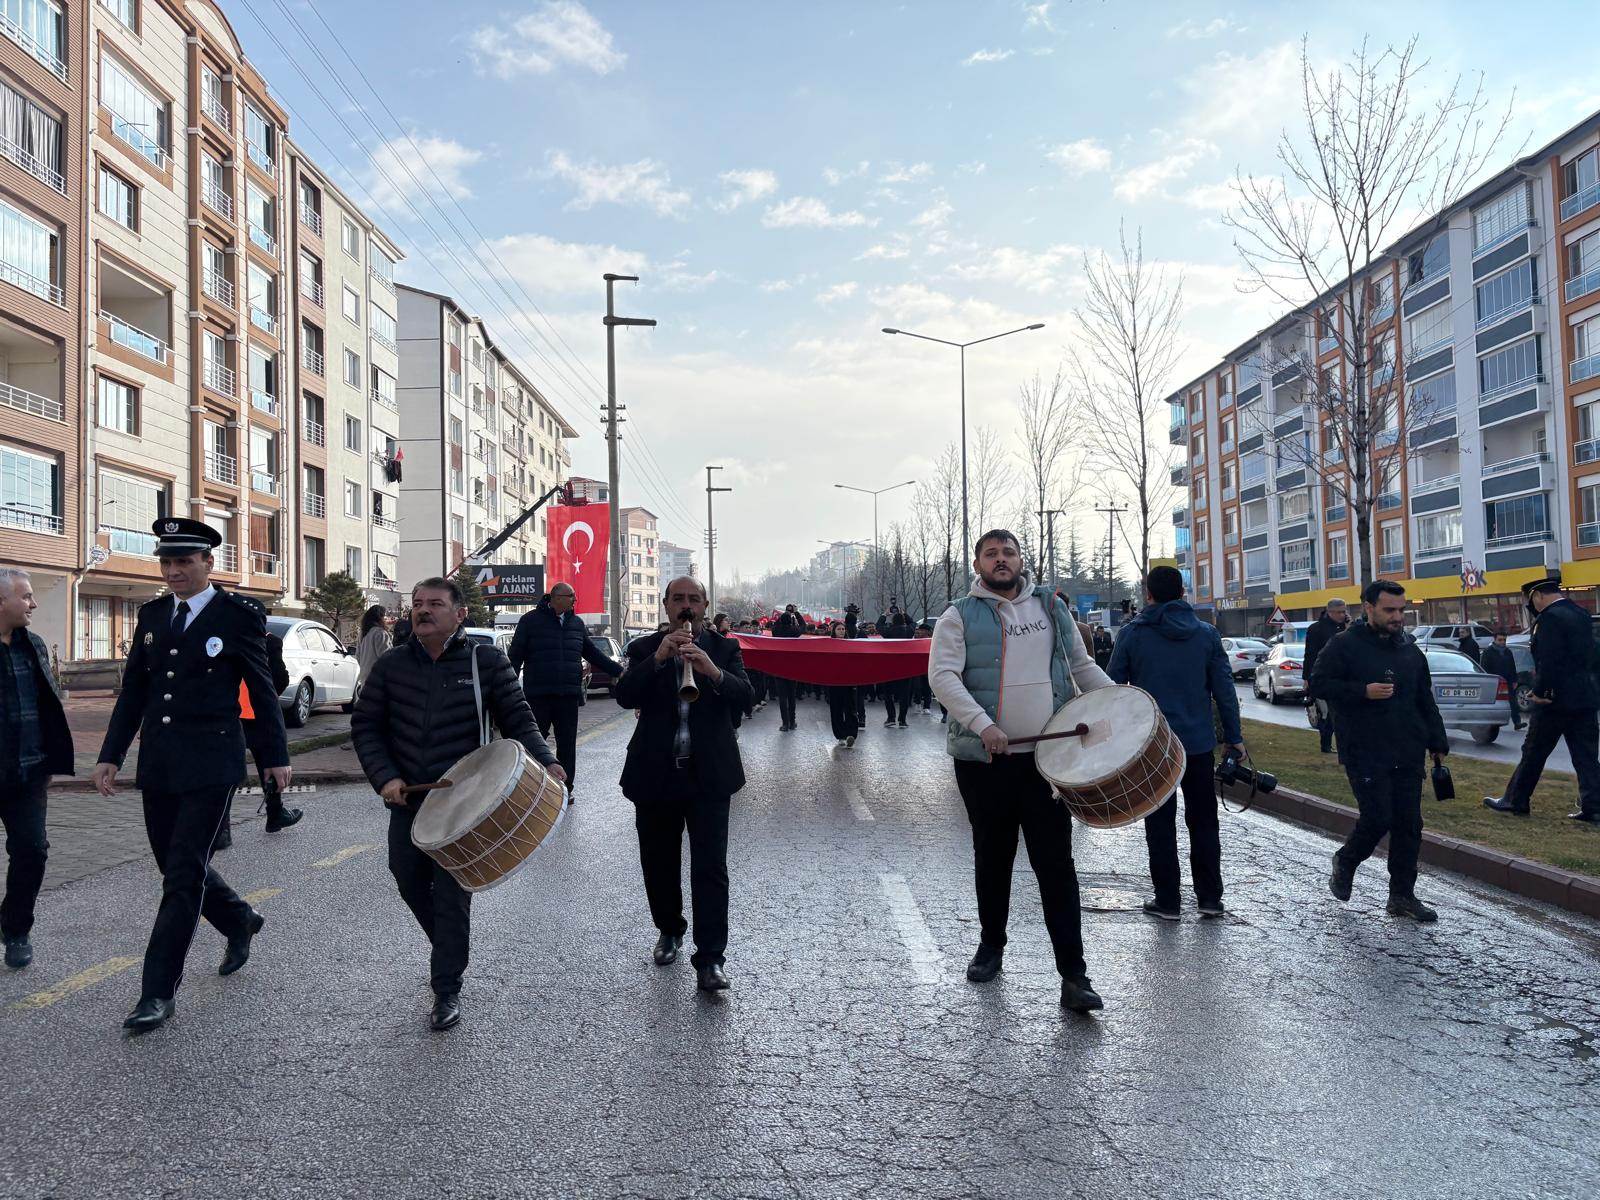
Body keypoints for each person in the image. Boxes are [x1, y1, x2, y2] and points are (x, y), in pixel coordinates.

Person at [93, 519, 290, 1032]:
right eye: (167, 562)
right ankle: (239, 919)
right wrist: (111, 753)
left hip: (211, 762)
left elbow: (262, 691)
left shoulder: (238, 615)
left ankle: (157, 992)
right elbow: (135, 689)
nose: (175, 571)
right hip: (159, 762)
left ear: (208, 563)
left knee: (182, 874)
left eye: (185, 561)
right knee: (174, 865)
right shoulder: (154, 614)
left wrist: (274, 756)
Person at [351, 577, 564, 1031]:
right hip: (408, 799)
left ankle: (446, 987)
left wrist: (546, 760)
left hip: (467, 805)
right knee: (406, 878)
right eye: (417, 604)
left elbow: (518, 718)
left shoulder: (485, 662)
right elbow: (365, 726)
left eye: (434, 604)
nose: (423, 611)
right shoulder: (391, 666)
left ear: (460, 614)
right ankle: (448, 949)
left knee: (451, 895)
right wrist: (385, 777)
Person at [929, 529, 1113, 1013]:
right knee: (994, 856)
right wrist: (983, 725)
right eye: (991, 553)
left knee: (1056, 864)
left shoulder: (1051, 608)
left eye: (1008, 551)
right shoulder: (958, 615)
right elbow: (942, 677)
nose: (1001, 559)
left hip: (1047, 762)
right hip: (984, 760)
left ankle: (1074, 975)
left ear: (1020, 559)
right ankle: (992, 944)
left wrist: (1120, 705)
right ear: (978, 564)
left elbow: (1081, 666)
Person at [617, 577, 753, 992]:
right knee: (658, 863)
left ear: (705, 605)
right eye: (679, 599)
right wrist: (659, 658)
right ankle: (670, 929)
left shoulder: (725, 649)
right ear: (666, 606)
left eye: (694, 599)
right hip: (655, 774)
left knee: (711, 868)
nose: (687, 606)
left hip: (709, 775)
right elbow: (624, 695)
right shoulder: (643, 649)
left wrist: (711, 671)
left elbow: (747, 696)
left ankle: (710, 958)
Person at [1108, 565, 1244, 921]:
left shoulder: (1133, 634)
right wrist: (1234, 738)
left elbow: (1113, 689)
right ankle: (1210, 898)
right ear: (1183, 593)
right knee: (1203, 821)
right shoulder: (1206, 635)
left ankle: (1168, 901)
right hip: (1198, 745)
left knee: (1160, 823)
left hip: (1152, 747)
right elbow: (1225, 691)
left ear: (1147, 595)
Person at [1312, 580, 1450, 922]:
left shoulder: (1410, 650)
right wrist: (1363, 691)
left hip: (1407, 747)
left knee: (1409, 825)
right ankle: (1346, 860)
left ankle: (1402, 896)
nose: (1397, 617)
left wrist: (1437, 742)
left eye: (1401, 610)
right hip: (1364, 747)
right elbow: (1318, 682)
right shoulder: (1344, 645)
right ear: (1368, 607)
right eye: (1389, 610)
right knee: (1378, 818)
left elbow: (1424, 699)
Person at [0, 569, 73, 970]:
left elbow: (46, 704)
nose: (33, 604)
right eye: (26, 596)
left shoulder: (35, 645)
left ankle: (16, 928)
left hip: (28, 775)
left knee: (32, 851)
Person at [1485, 575, 1600, 823]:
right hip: (1584, 697)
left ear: (1537, 596)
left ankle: (1515, 800)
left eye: (1530, 602)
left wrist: (1541, 692)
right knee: (1586, 756)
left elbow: (1549, 660)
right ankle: (1594, 806)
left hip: (1555, 701)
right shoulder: (1581, 614)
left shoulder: (1550, 619)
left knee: (1534, 751)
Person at [506, 583, 623, 804]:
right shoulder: (530, 621)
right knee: (535, 744)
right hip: (537, 695)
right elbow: (515, 655)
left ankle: (564, 790)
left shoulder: (576, 624)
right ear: (556, 597)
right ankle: (533, 791)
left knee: (567, 745)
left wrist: (619, 671)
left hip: (568, 695)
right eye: (571, 596)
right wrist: (506, 689)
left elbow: (592, 654)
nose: (575, 600)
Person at [214, 599, 301, 851]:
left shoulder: (220, 640)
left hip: (230, 715)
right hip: (258, 714)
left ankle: (222, 829)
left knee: (229, 771)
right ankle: (275, 815)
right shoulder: (270, 642)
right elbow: (280, 679)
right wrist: (269, 698)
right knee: (268, 766)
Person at [1302, 598, 1351, 754]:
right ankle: (1326, 744)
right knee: (1327, 713)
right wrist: (1307, 678)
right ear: (1330, 612)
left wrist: (1348, 627)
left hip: (1344, 677)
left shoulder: (1347, 627)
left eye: (1345, 611)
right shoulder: (1316, 629)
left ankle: (1343, 745)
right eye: (1340, 612)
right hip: (1324, 676)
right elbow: (1309, 655)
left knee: (1343, 713)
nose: (1343, 615)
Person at [770, 604, 804, 731]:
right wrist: (796, 613)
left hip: (779, 667)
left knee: (782, 698)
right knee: (791, 696)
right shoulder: (794, 631)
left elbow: (776, 623)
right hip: (792, 667)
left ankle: (784, 723)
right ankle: (792, 721)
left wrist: (785, 613)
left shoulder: (776, 630)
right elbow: (803, 626)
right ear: (791, 621)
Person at [825, 623, 859, 747]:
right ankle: (840, 735)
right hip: (834, 682)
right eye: (839, 629)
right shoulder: (828, 645)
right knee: (836, 709)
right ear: (834, 631)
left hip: (849, 682)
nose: (841, 631)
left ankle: (851, 734)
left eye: (843, 629)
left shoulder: (851, 644)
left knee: (851, 709)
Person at [1482, 632, 1524, 732]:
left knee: (1513, 702)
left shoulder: (1508, 652)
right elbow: (1484, 667)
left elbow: (1512, 666)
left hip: (1507, 681)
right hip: (1494, 681)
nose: (1502, 642)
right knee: (1493, 703)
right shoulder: (1488, 652)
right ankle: (1490, 724)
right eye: (1500, 640)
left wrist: (1514, 680)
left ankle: (1517, 722)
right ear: (1495, 640)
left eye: (1504, 640)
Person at [880, 611, 915, 727]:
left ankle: (891, 718)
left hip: (889, 666)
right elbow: (913, 623)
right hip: (906, 667)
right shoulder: (909, 631)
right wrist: (905, 614)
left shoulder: (888, 631)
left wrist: (884, 615)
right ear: (904, 620)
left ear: (893, 621)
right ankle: (902, 720)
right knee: (904, 695)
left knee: (888, 694)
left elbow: (878, 626)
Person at [355, 605, 391, 697]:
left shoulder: (363, 634)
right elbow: (386, 657)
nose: (386, 619)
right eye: (384, 616)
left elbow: (358, 656)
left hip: (365, 677)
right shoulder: (380, 633)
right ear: (380, 617)